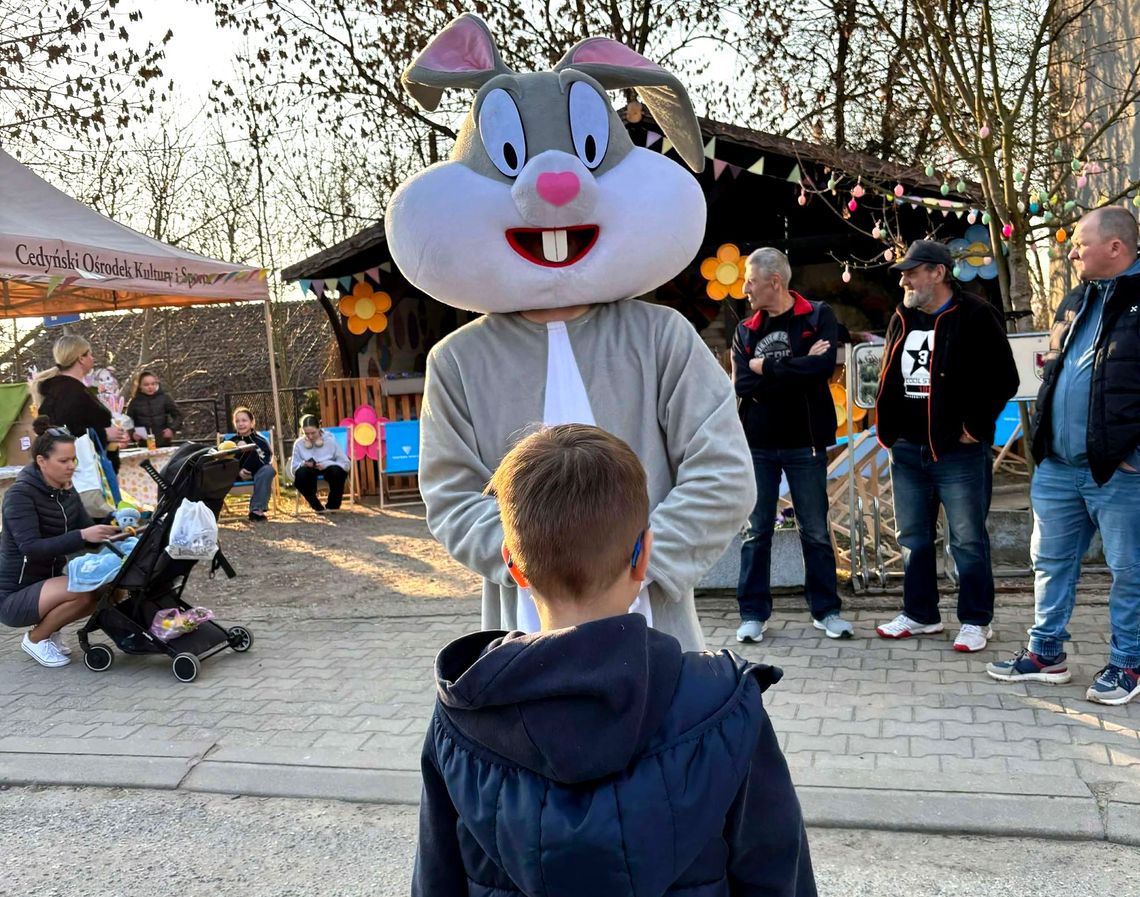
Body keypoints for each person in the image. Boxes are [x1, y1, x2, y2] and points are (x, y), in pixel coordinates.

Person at [391, 15, 755, 652]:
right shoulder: (458, 360)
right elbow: (450, 494)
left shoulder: (662, 339)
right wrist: (527, 563)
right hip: (523, 627)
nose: (555, 189)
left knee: (654, 719)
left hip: (653, 630)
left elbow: (722, 469)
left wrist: (643, 561)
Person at [411, 424, 816, 896]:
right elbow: (777, 877)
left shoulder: (464, 715)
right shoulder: (725, 707)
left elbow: (436, 882)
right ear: (643, 556)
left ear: (513, 565)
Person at [988, 206, 1140, 704]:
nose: (1071, 252)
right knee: (1049, 562)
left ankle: (1128, 663)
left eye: (1080, 243)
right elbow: (1055, 374)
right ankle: (1045, 654)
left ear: (1115, 247)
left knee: (1130, 571)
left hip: (1120, 472)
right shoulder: (1074, 300)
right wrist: (1044, 448)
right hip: (1058, 466)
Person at [874, 240, 1018, 652]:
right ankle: (921, 614)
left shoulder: (976, 314)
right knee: (912, 537)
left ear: (937, 272)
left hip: (958, 452)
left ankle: (976, 620)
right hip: (907, 449)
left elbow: (1004, 378)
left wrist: (975, 426)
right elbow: (890, 374)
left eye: (911, 272)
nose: (903, 280)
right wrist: (890, 432)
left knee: (967, 540)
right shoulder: (902, 316)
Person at [732, 248, 854, 642]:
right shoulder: (745, 329)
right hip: (758, 445)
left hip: (806, 442)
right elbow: (742, 384)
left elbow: (821, 369)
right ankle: (753, 614)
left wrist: (765, 367)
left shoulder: (817, 316)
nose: (745, 288)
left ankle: (826, 610)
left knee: (815, 530)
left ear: (774, 282)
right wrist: (795, 367)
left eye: (750, 281)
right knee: (756, 531)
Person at [0, 417, 120, 667]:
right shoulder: (19, 495)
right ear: (41, 461)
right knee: (83, 591)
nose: (71, 466)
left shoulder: (66, 489)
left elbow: (86, 529)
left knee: (106, 589)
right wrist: (82, 536)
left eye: (74, 459)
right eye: (64, 461)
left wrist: (116, 529)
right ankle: (36, 639)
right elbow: (30, 548)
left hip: (47, 585)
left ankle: (50, 629)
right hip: (13, 595)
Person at [30, 335, 127, 470]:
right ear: (81, 358)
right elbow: (66, 433)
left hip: (88, 467)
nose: (92, 358)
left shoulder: (67, 390)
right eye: (90, 354)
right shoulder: (69, 392)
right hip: (81, 470)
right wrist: (104, 434)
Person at [289, 414, 350, 513]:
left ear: (319, 428)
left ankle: (333, 506)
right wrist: (303, 464)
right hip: (309, 471)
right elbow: (293, 469)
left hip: (328, 469)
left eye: (313, 433)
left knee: (337, 472)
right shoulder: (299, 443)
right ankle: (316, 506)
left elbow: (346, 464)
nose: (310, 436)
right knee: (300, 474)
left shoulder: (330, 440)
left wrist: (327, 464)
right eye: (306, 433)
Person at [231, 407, 275, 523]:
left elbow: (266, 460)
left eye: (244, 420)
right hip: (233, 475)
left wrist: (249, 449)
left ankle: (256, 510)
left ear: (252, 423)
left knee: (268, 470)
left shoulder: (261, 441)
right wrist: (238, 471)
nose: (240, 424)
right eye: (237, 421)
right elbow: (224, 462)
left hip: (256, 475)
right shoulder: (230, 442)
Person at [126, 370, 183, 447]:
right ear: (140, 386)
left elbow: (178, 416)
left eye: (153, 384)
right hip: (144, 443)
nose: (150, 387)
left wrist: (172, 429)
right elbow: (127, 422)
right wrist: (132, 434)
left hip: (163, 442)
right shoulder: (135, 402)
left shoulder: (164, 398)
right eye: (146, 385)